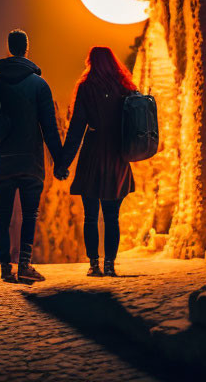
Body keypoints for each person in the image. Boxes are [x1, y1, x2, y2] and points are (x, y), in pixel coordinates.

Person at [0, 29, 64, 283]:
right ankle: (25, 265)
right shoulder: (40, 85)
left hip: (4, 159)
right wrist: (59, 160)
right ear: (26, 48)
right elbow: (49, 127)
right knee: (30, 214)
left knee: (3, 214)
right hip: (31, 162)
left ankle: (6, 267)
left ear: (9, 48)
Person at [56, 46, 136, 277]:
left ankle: (94, 265)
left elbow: (76, 130)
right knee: (112, 216)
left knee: (90, 215)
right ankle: (110, 264)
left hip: (92, 154)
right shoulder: (126, 87)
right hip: (118, 155)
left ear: (90, 62)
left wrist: (64, 163)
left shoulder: (86, 88)